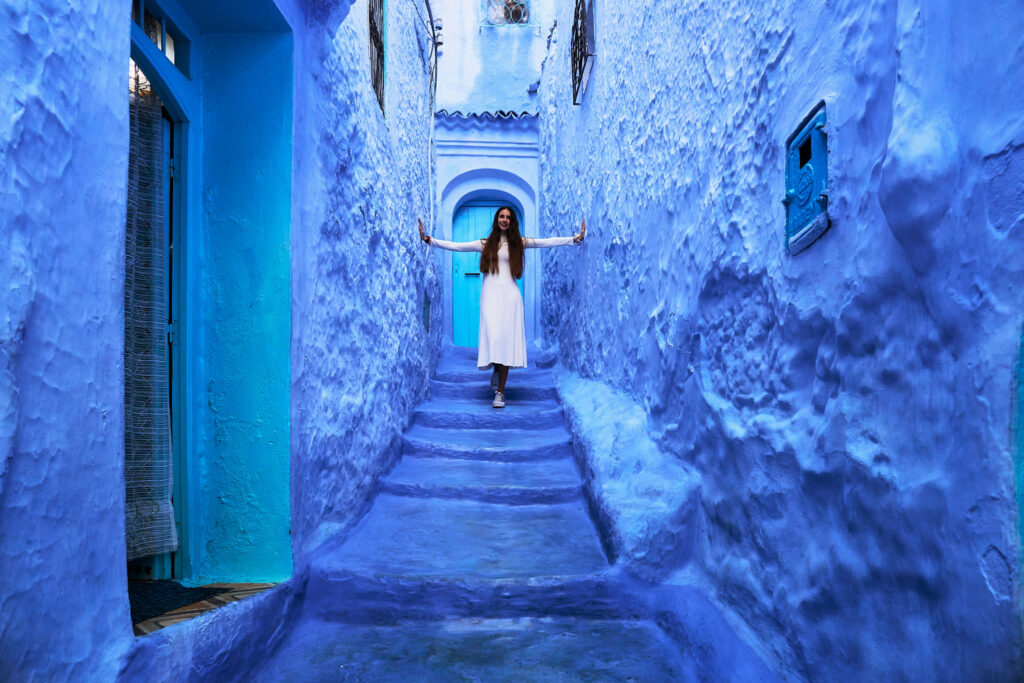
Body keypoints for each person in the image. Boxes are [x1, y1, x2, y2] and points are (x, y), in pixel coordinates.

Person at [418, 207, 585, 408]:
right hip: (490, 296)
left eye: (508, 217)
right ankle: (496, 370)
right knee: (494, 337)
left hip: (510, 297)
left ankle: (500, 392)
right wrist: (429, 239)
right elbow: (457, 246)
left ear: (512, 221)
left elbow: (545, 242)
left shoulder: (519, 243)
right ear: (497, 219)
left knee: (505, 341)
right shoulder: (485, 244)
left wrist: (574, 239)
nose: (504, 220)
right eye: (501, 216)